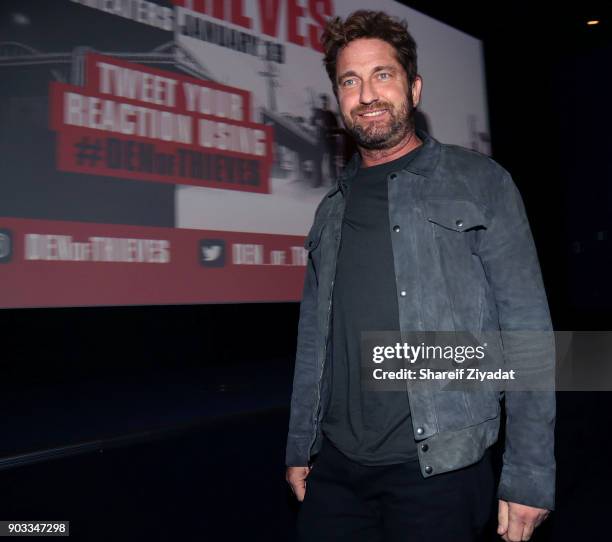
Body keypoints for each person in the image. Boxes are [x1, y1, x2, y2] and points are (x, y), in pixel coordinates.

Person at [285, 10, 555, 542]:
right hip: (336, 470)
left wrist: (530, 473)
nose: (367, 94)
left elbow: (527, 332)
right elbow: (314, 343)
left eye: (382, 75)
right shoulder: (329, 210)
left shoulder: (481, 182)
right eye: (350, 81)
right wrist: (300, 444)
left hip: (439, 472)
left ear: (414, 87)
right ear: (337, 98)